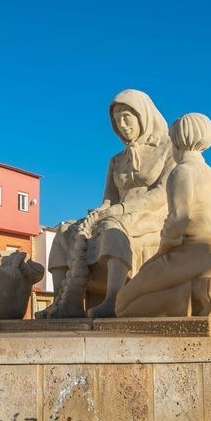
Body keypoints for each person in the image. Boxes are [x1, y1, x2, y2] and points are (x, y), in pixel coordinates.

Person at [39, 89, 174, 318]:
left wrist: (119, 210)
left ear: (143, 116)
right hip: (116, 211)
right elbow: (108, 199)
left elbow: (162, 194)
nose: (122, 124)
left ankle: (114, 299)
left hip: (151, 215)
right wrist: (98, 213)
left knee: (113, 229)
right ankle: (63, 302)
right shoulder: (116, 160)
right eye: (117, 119)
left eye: (126, 117)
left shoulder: (169, 151)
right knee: (64, 231)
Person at [115, 112, 211, 317]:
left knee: (122, 304)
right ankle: (209, 294)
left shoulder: (182, 172)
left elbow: (178, 221)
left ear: (176, 142)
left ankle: (194, 295)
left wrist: (160, 254)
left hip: (192, 257)